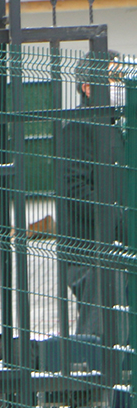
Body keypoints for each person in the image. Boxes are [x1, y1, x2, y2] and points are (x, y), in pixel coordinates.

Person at [61, 52, 127, 339]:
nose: (120, 85)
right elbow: (74, 191)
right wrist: (118, 220)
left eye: (120, 78)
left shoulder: (120, 124)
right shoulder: (78, 127)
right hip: (90, 250)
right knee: (104, 305)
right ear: (88, 87)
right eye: (113, 78)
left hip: (120, 240)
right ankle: (89, 369)